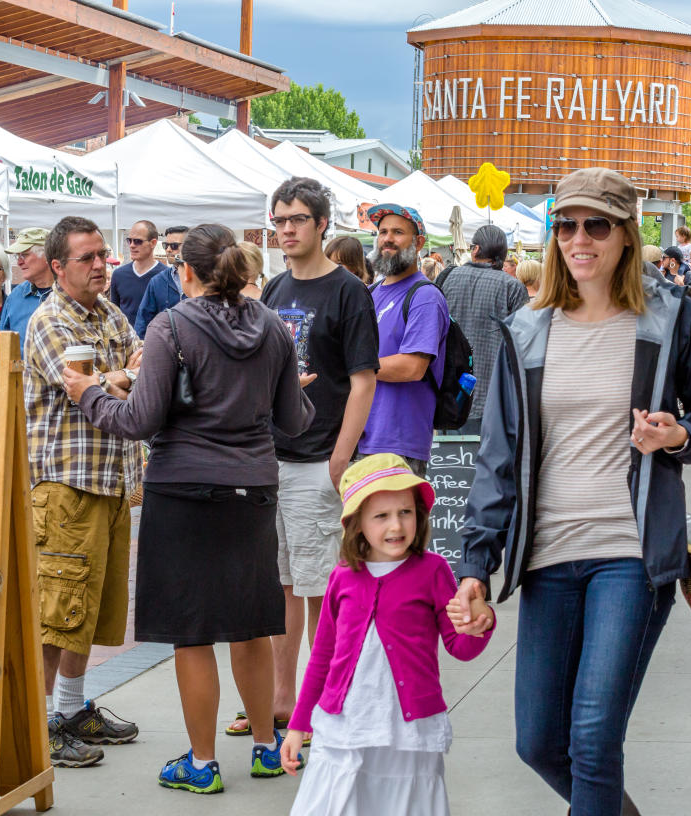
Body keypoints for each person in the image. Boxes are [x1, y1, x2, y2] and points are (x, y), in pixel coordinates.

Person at [453, 167, 691, 816]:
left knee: (591, 737)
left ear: (627, 234)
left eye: (597, 225)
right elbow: (499, 457)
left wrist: (677, 437)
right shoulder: (526, 330)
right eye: (566, 226)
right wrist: (475, 563)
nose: (579, 239)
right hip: (549, 557)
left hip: (631, 555)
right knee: (539, 743)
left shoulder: (669, 320)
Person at [62, 223, 315, 793]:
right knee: (251, 626)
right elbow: (295, 421)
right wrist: (292, 387)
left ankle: (202, 764)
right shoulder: (274, 327)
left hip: (183, 488)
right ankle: (265, 748)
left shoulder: (170, 326)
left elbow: (138, 422)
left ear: (188, 272)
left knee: (193, 634)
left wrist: (88, 394)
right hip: (253, 489)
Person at [230, 177, 378, 741]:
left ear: (321, 224)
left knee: (324, 591)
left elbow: (364, 382)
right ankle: (282, 700)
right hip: (273, 458)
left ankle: (326, 702)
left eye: (296, 219)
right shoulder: (272, 289)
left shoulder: (348, 292)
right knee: (283, 587)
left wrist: (342, 457)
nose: (286, 229)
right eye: (279, 220)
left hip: (322, 459)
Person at [281, 453, 495, 815]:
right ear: (357, 523)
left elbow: (460, 646)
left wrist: (481, 622)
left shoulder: (433, 571)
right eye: (381, 516)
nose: (396, 525)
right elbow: (322, 658)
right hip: (346, 725)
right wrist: (298, 725)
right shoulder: (343, 577)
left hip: (407, 732)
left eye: (405, 512)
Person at [23, 215, 143, 769]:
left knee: (89, 610)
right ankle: (39, 724)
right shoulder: (50, 320)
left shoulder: (109, 312)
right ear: (57, 267)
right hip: (67, 488)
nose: (100, 266)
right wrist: (118, 377)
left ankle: (71, 708)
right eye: (87, 258)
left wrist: (111, 377)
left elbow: (140, 370)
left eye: (102, 255)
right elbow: (84, 386)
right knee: (56, 613)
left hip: (111, 483)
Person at [359, 204, 448, 475]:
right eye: (383, 231)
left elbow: (412, 367)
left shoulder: (425, 296)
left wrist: (354, 366)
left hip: (398, 442)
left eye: (398, 232)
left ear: (418, 242)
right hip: (359, 435)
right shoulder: (371, 292)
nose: (387, 238)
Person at [437, 223, 526, 434]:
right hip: (495, 398)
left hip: (449, 393)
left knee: (451, 463)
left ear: (475, 250)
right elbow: (523, 346)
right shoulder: (513, 287)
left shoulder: (447, 278)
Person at [0, 228, 53, 365]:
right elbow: (0, 351)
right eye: (17, 256)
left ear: (47, 255)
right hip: (21, 383)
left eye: (24, 255)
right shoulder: (15, 296)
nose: (19, 262)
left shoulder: (72, 293)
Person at [108, 220, 169, 327]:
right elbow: (114, 315)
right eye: (129, 240)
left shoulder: (166, 276)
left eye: (137, 241)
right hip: (126, 341)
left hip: (156, 340)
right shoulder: (119, 275)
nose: (131, 245)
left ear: (153, 243)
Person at [134, 226, 190, 338]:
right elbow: (143, 321)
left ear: (189, 247)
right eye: (166, 245)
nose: (168, 250)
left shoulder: (202, 279)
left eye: (174, 246)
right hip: (166, 349)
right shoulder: (157, 281)